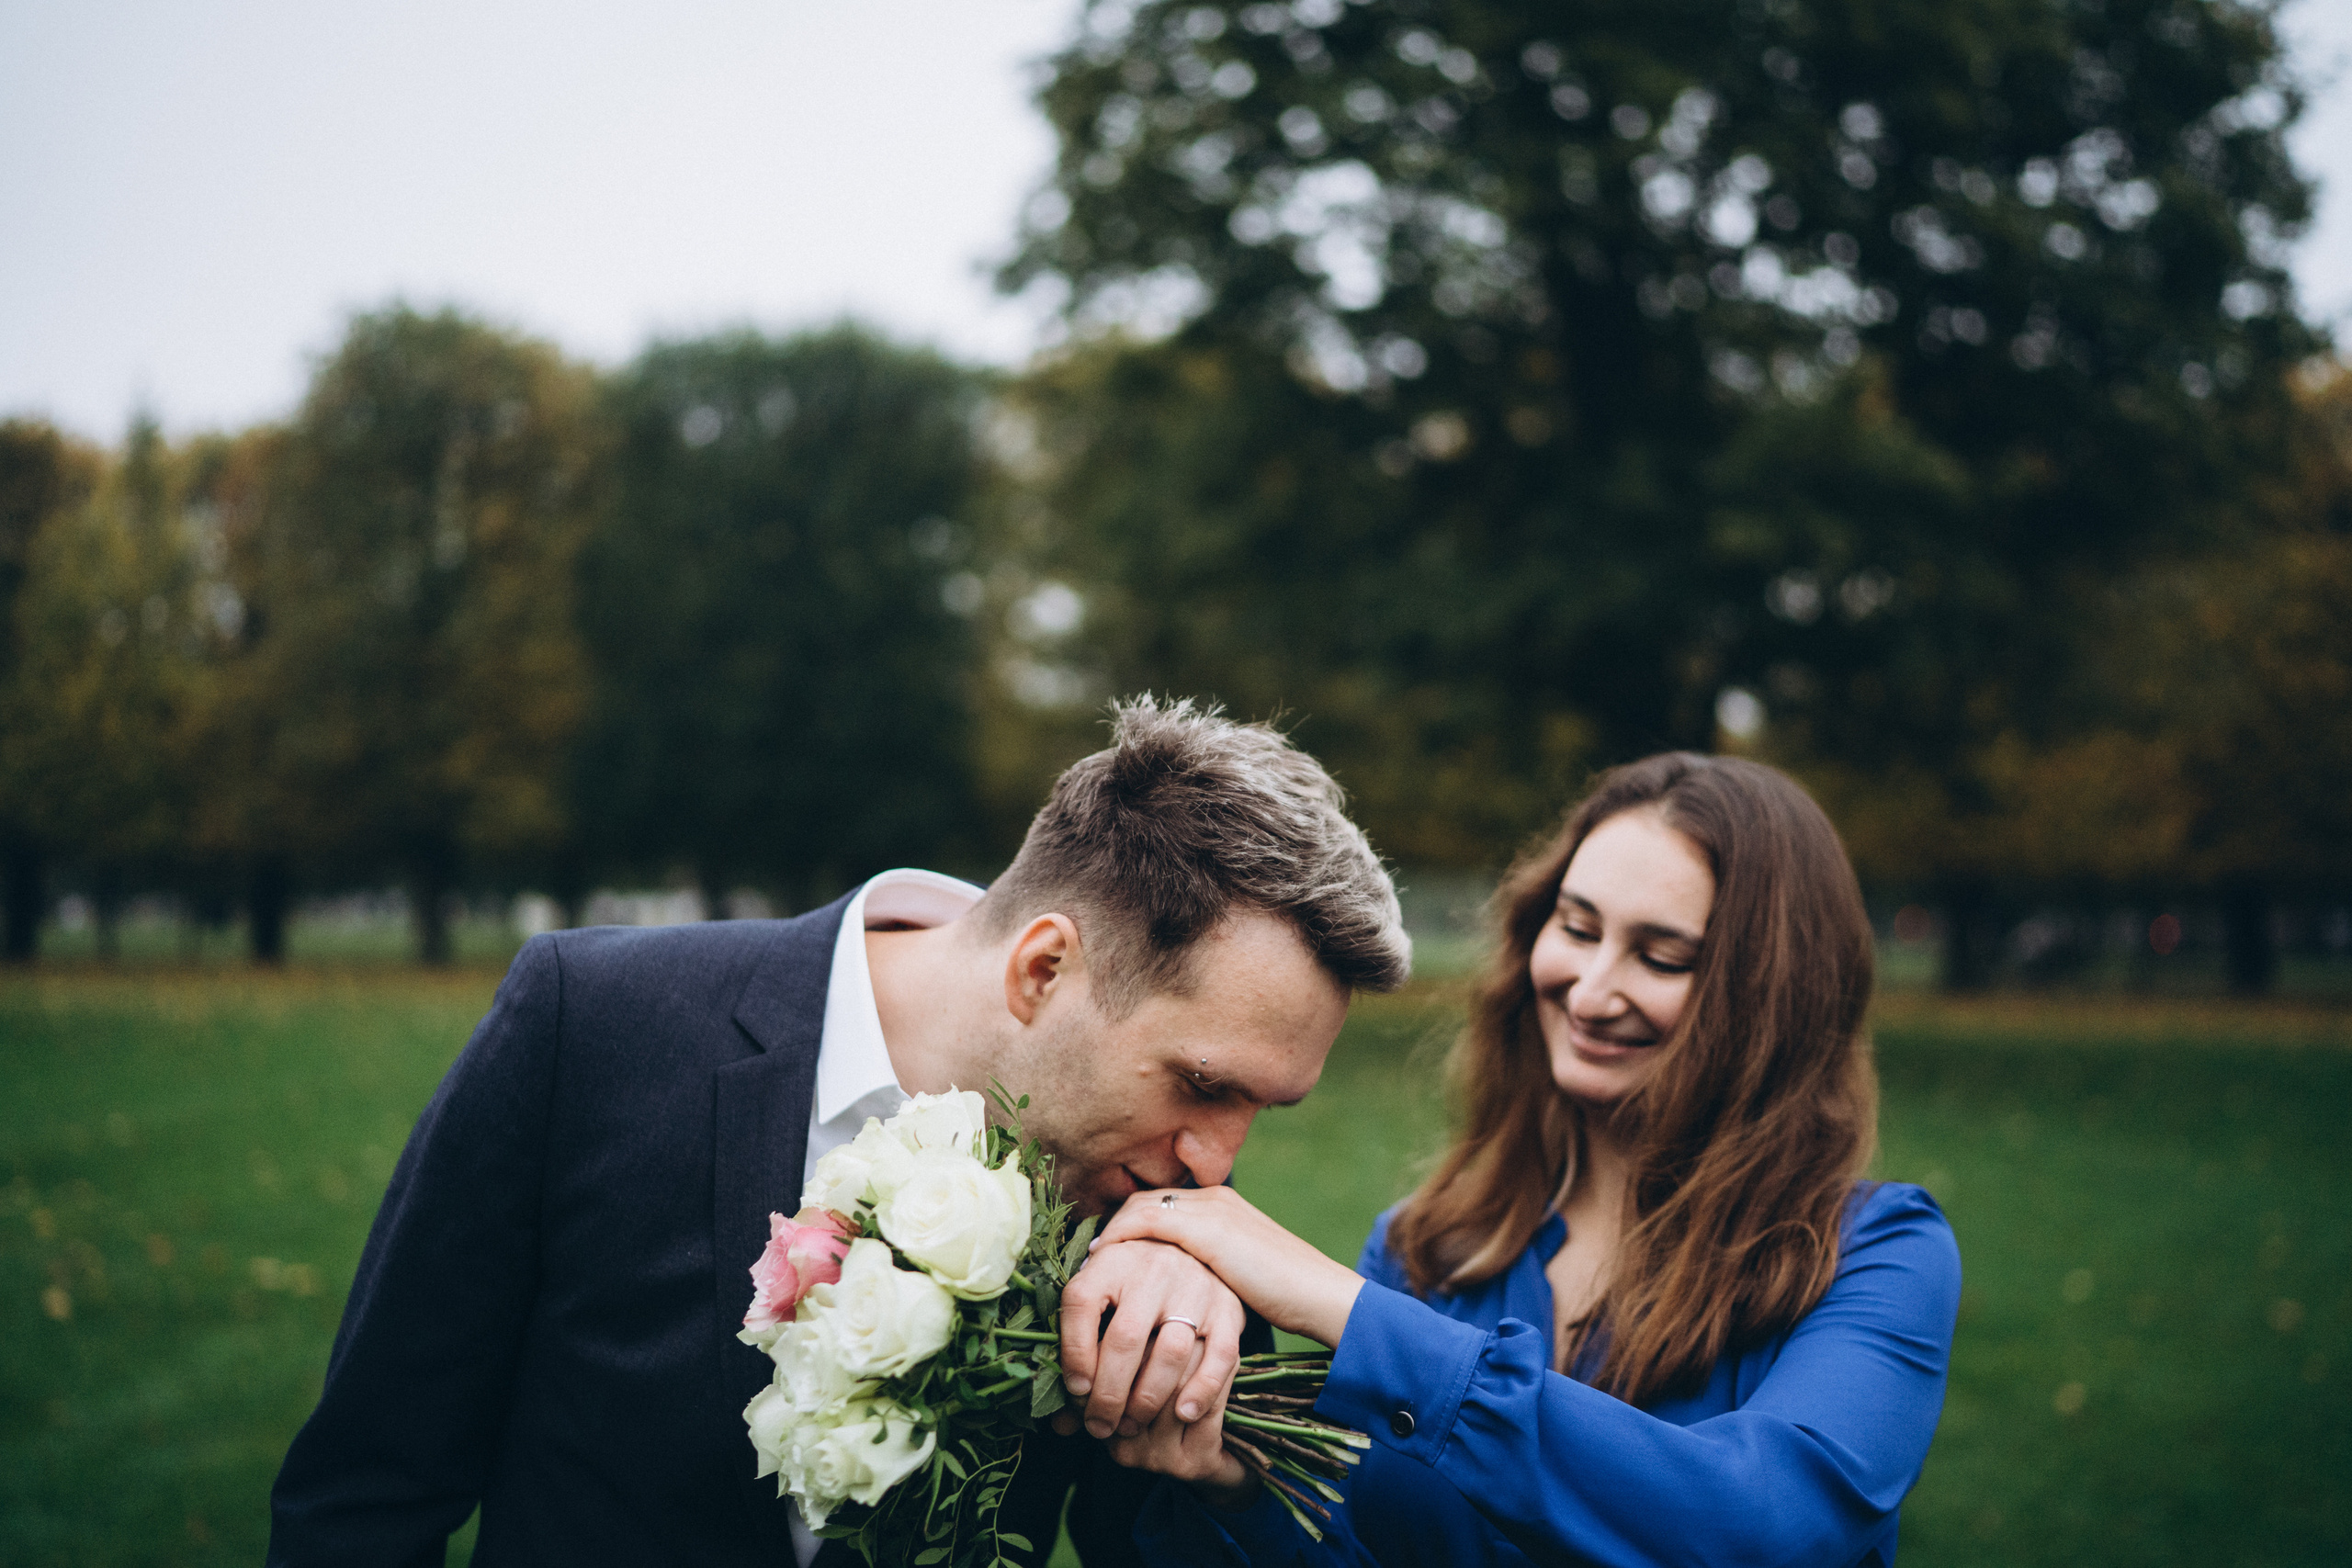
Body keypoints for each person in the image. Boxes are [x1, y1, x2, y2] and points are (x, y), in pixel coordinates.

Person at [266, 696, 1410, 1568]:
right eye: (1204, 1084)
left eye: (1263, 1107)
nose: (1218, 1161)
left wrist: (1214, 1470)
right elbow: (368, 1491)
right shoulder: (592, 1026)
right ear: (1045, 967)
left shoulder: (1160, 1224)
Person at [1096, 751, 1962, 1568]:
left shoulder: (1877, 1253)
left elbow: (1763, 1526)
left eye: (1661, 956)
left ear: (1773, 998)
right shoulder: (1429, 1246)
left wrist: (1350, 1312)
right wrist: (1234, 1486)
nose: (1590, 991)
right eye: (1577, 928)